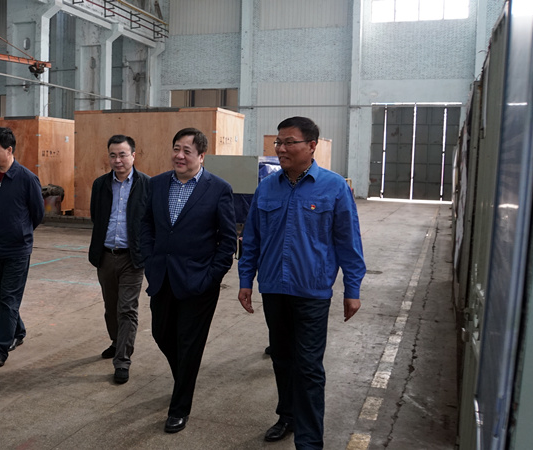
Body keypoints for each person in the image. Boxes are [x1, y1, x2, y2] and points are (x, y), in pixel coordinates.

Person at [237, 116, 365, 449]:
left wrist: (352, 290)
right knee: (282, 359)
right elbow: (252, 239)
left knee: (308, 367)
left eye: (289, 142)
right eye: (278, 142)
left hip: (312, 292)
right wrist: (246, 280)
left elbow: (348, 242)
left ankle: (309, 441)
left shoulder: (334, 187)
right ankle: (288, 416)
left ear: (311, 146)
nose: (281, 149)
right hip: (274, 289)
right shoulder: (267, 187)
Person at [141, 127, 237, 433]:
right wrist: (149, 261)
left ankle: (179, 408)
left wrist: (212, 276)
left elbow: (227, 240)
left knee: (189, 344)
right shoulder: (157, 184)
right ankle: (184, 376)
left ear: (201, 155)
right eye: (176, 149)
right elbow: (146, 225)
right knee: (161, 333)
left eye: (187, 151)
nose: (179, 156)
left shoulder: (218, 189)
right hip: (162, 276)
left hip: (199, 282)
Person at [0, 127, 44, 366]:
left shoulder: (27, 179)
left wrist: (20, 232)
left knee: (8, 299)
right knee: (2, 298)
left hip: (16, 250)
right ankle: (17, 331)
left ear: (9, 150)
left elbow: (38, 213)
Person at [88, 134, 150, 384]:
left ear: (133, 156)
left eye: (122, 155)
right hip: (105, 256)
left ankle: (122, 360)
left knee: (127, 309)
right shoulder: (100, 185)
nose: (117, 160)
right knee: (111, 308)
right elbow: (96, 216)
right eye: (113, 155)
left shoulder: (147, 185)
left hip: (132, 258)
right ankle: (117, 342)